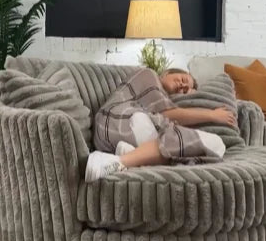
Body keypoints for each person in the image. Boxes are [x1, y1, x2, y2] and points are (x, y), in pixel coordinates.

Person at [85, 67, 237, 182]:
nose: (182, 86)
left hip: (121, 136)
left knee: (215, 147)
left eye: (185, 90)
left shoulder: (162, 101)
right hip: (117, 120)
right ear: (166, 73)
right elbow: (168, 114)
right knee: (211, 143)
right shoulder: (148, 74)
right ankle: (120, 161)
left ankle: (128, 155)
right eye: (183, 79)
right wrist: (212, 115)